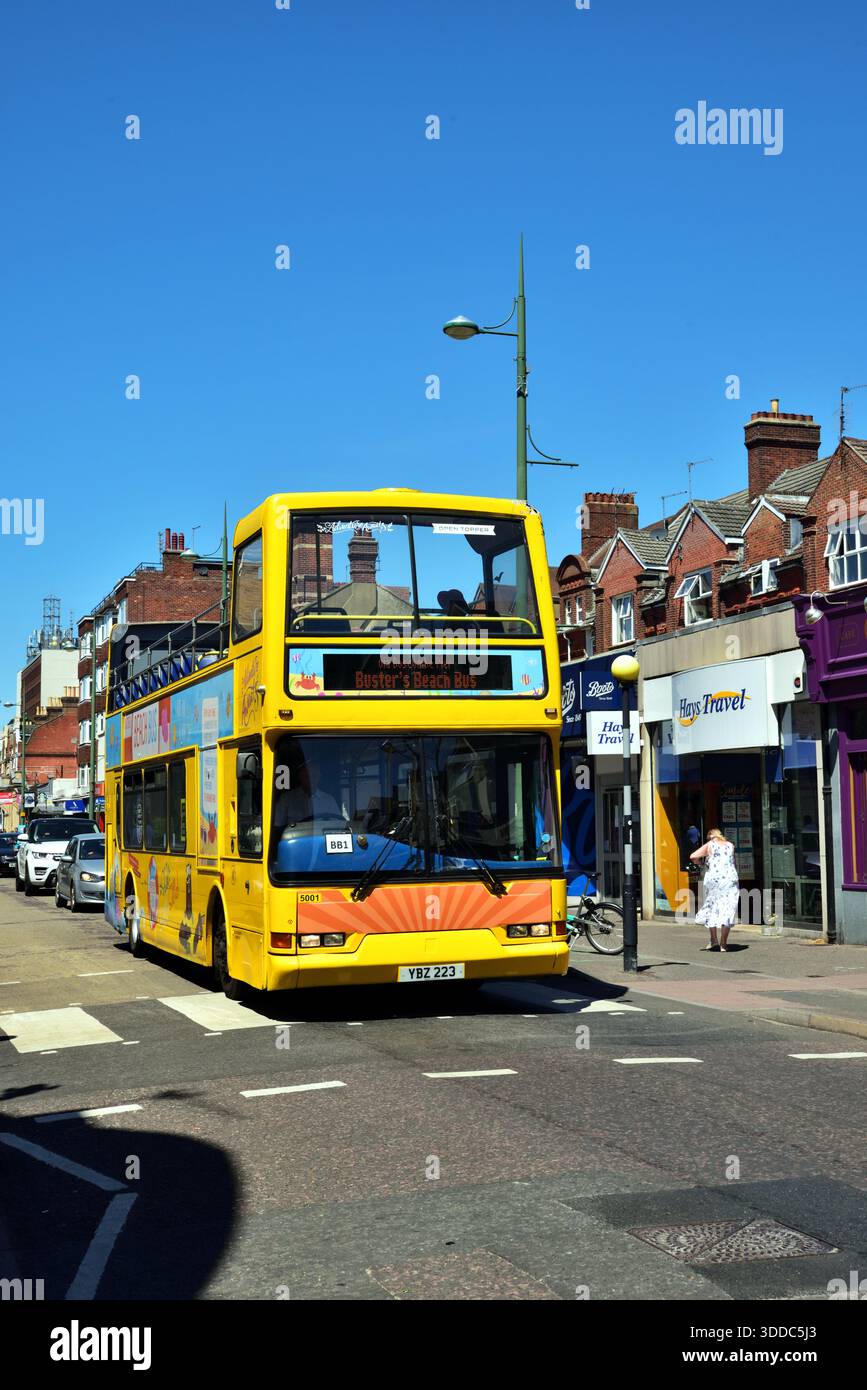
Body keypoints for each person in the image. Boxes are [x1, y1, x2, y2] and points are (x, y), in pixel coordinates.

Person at [690, 827, 739, 951]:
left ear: (711, 836)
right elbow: (733, 863)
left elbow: (693, 856)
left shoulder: (710, 845)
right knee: (728, 909)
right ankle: (723, 943)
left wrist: (701, 863)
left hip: (715, 881)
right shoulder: (730, 845)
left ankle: (713, 940)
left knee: (712, 907)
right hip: (730, 880)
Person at [273, 757, 344, 832]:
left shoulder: (329, 800)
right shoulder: (286, 799)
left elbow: (338, 826)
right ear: (300, 776)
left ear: (319, 776)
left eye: (314, 775)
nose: (311, 778)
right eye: (307, 775)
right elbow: (277, 827)